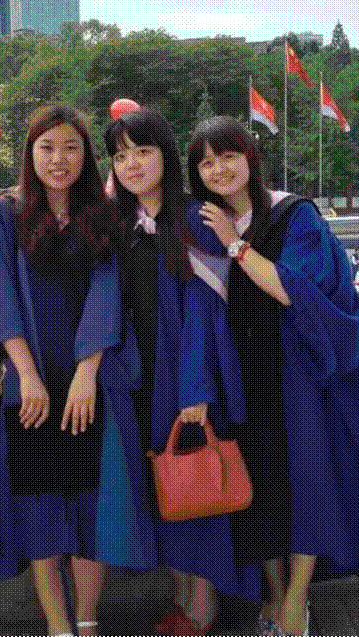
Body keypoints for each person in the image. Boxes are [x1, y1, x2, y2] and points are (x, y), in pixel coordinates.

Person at [186, 116, 359, 637]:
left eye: (228, 156)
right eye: (206, 162)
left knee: (307, 484)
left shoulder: (293, 215)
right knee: (259, 489)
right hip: (242, 375)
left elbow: (293, 289)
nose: (219, 169)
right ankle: (274, 592)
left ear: (250, 157)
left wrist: (236, 244)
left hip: (297, 373)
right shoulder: (205, 222)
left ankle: (296, 600)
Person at [0, 104, 155, 637]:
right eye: (47, 148)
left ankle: (87, 622)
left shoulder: (105, 216)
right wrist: (27, 376)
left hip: (92, 386)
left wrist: (87, 373)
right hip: (31, 388)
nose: (58, 159)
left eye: (71, 148)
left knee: (90, 512)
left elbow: (109, 294)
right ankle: (58, 628)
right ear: (29, 154)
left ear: (86, 156)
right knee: (40, 517)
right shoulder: (4, 215)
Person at [104, 108, 257, 636]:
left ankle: (203, 606)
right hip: (139, 377)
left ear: (166, 156)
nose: (132, 164)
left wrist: (196, 390)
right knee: (166, 491)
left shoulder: (197, 221)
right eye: (121, 155)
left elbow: (204, 316)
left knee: (199, 492)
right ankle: (182, 595)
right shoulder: (121, 224)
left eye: (143, 151)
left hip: (185, 377)